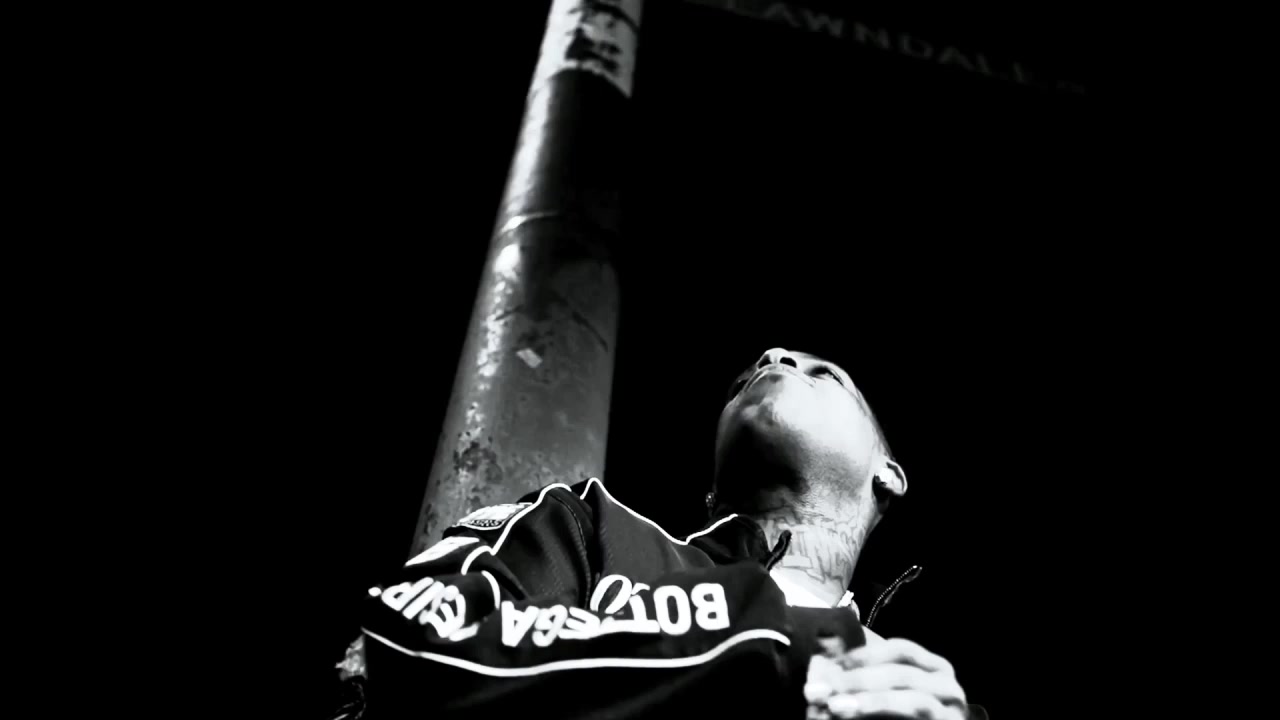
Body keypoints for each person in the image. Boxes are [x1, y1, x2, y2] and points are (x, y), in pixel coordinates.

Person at [351, 347, 985, 719]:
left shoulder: (922, 688)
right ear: (712, 493)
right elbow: (401, 648)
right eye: (744, 380)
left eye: (822, 373)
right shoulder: (589, 524)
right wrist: (769, 648)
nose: (773, 358)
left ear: (889, 476)